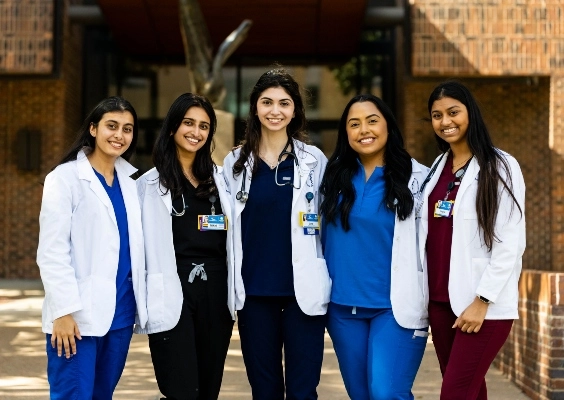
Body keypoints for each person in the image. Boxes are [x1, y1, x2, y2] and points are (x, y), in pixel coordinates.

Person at [223, 67, 330, 399]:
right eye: (267, 102)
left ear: (294, 109)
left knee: (303, 389)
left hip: (302, 293)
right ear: (255, 106)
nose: (275, 111)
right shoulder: (234, 163)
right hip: (254, 293)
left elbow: (328, 223)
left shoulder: (314, 160)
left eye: (284, 103)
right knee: (264, 388)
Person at [419, 81, 526, 399]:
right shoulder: (438, 168)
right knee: (470, 392)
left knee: (453, 393)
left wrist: (483, 300)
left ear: (471, 114)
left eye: (453, 112)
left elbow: (511, 240)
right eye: (436, 115)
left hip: (480, 305)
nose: (445, 121)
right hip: (440, 303)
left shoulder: (499, 166)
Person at [319, 94, 430, 399]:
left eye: (371, 121)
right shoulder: (330, 178)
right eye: (353, 124)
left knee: (386, 392)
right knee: (361, 394)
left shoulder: (417, 178)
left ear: (388, 127)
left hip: (394, 308)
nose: (363, 130)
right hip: (342, 308)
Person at [37, 96, 147, 398]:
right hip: (76, 316)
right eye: (112, 126)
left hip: (122, 315)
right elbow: (52, 250)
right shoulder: (65, 179)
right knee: (73, 394)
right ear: (93, 129)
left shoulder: (133, 181)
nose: (119, 135)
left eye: (127, 129)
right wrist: (63, 311)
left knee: (102, 394)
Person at [135, 93, 235, 400]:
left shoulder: (221, 180)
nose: (196, 132)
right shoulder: (149, 184)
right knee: (180, 388)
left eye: (204, 126)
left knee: (207, 388)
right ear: (171, 128)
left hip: (216, 291)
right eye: (188, 123)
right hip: (171, 287)